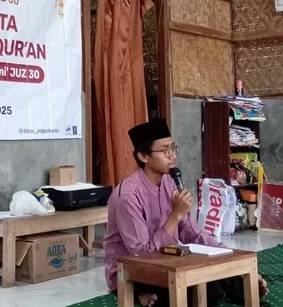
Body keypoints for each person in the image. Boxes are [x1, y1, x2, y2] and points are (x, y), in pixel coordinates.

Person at [103, 118, 269, 307]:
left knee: (215, 272)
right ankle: (140, 293)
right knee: (209, 289)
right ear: (143, 156)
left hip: (167, 261)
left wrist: (228, 255)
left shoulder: (168, 182)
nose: (172, 155)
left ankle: (241, 285)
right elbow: (141, 254)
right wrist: (176, 215)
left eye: (173, 148)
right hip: (134, 270)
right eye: (165, 150)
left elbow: (192, 233)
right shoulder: (127, 196)